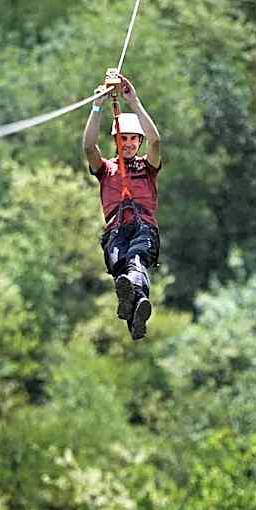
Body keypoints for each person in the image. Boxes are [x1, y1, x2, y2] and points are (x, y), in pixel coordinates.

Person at [82, 72, 161, 340]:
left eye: (132, 139)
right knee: (120, 268)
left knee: (134, 262)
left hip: (143, 229)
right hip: (116, 231)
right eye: (123, 138)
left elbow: (156, 142)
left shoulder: (146, 167)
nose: (128, 143)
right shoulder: (106, 169)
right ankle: (137, 313)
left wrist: (134, 103)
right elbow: (89, 146)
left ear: (138, 142)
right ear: (116, 141)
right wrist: (97, 106)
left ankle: (138, 304)